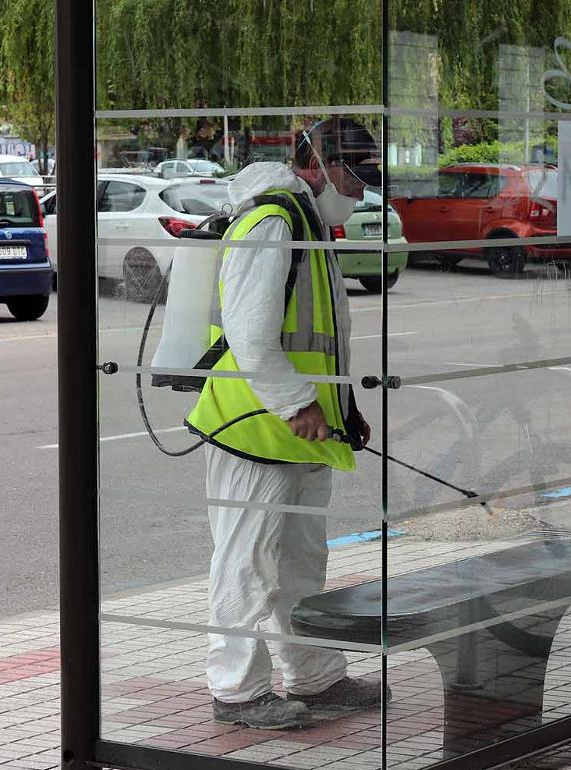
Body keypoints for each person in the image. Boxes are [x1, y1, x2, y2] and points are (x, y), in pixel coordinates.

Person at [186, 117, 385, 730]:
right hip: (256, 425)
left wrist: (341, 412)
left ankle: (315, 676)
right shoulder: (272, 220)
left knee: (300, 560)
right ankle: (238, 691)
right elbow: (249, 332)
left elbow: (322, 335)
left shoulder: (307, 222)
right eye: (354, 179)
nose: (358, 193)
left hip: (296, 428)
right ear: (320, 166)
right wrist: (299, 403)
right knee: (245, 561)